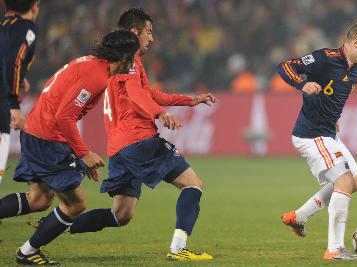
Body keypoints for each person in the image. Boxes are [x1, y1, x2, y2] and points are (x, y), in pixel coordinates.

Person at [66, 8, 216, 261]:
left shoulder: (113, 61)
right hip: (139, 141)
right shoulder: (130, 60)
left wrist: (189, 101)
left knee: (121, 214)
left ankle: (58, 225)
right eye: (149, 32)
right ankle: (178, 249)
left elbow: (148, 93)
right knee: (193, 185)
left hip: (118, 149)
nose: (152, 38)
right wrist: (159, 114)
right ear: (134, 31)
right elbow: (137, 95)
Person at [0, 30, 139, 265]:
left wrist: (77, 152)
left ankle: (28, 251)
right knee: (76, 204)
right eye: (133, 56)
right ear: (124, 56)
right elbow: (64, 116)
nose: (135, 62)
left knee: (39, 200)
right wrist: (84, 153)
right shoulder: (97, 76)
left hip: (37, 132)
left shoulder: (91, 64)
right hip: (47, 138)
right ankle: (26, 252)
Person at [277, 21, 357, 260]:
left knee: (355, 182)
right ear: (356, 43)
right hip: (312, 135)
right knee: (343, 181)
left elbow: (335, 93)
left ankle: (299, 217)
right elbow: (285, 66)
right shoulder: (325, 58)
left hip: (328, 132)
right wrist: (302, 83)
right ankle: (334, 249)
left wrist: (332, 117)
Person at [0, 0, 40, 184]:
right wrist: (14, 105)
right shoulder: (26, 28)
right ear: (34, 5)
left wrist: (18, 78)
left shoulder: (4, 26)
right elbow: (14, 60)